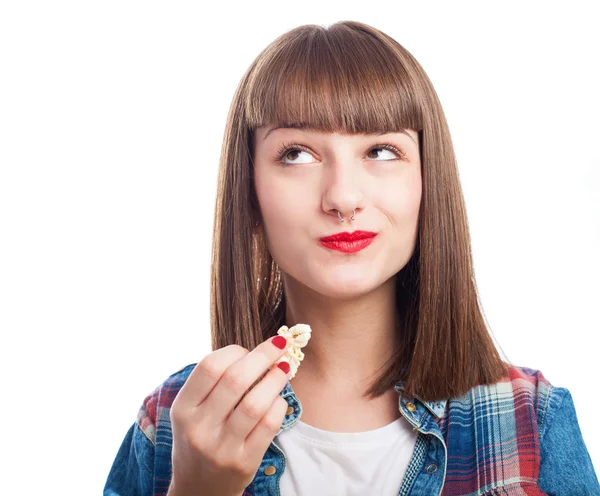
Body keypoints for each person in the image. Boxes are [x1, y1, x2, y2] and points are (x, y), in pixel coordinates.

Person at [104, 20, 599, 496]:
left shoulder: (531, 419)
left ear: (429, 183)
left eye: (382, 151)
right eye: (296, 153)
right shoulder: (170, 423)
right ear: (249, 193)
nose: (343, 196)